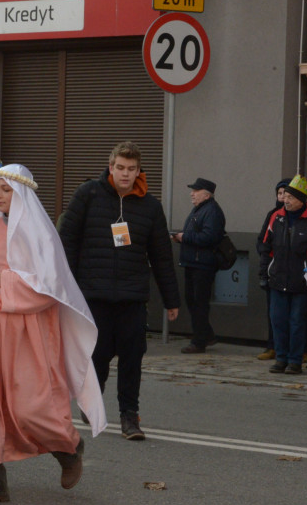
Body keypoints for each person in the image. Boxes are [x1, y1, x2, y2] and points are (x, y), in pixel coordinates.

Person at [0, 164, 105, 505]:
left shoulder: (39, 232)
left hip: (27, 332)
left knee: (30, 404)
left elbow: (53, 288)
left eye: (5, 190)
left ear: (21, 193)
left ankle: (67, 448)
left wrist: (10, 282)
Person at [58, 141, 181, 441]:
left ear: (139, 171)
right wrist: (65, 288)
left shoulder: (150, 207)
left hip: (132, 296)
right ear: (110, 167)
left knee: (132, 358)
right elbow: (66, 242)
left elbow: (162, 256)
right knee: (97, 356)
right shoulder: (88, 195)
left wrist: (171, 299)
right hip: (92, 295)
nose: (125, 174)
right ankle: (91, 400)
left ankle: (129, 416)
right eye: (120, 168)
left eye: (131, 169)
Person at [259, 174, 307, 375]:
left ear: (301, 200)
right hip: (277, 277)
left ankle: (295, 360)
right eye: (284, 196)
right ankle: (281, 358)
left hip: (302, 281)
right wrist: (264, 272)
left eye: (290, 197)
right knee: (278, 320)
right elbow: (266, 246)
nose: (285, 200)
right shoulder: (276, 217)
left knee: (297, 321)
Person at [173, 177, 226, 354]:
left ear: (206, 194)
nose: (191, 194)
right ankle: (206, 334)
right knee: (192, 301)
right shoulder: (201, 209)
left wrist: (184, 237)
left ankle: (199, 341)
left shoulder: (212, 211)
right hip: (193, 262)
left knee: (199, 303)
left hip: (202, 265)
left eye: (195, 191)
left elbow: (209, 238)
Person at [255, 178, 290, 361]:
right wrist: (265, 254)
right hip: (272, 268)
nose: (283, 197)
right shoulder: (273, 214)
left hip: (291, 271)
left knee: (294, 315)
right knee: (273, 312)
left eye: (286, 193)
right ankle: (273, 346)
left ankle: (299, 349)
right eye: (279, 193)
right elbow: (262, 240)